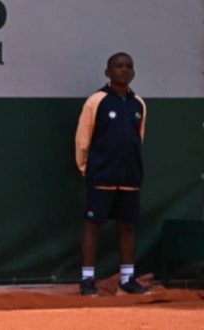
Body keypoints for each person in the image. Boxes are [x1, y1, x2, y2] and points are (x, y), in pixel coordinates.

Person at [74, 52, 150, 296]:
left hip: (129, 178)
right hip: (101, 176)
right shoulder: (97, 101)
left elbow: (139, 139)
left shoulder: (139, 103)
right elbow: (82, 139)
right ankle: (87, 280)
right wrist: (89, 169)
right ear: (108, 72)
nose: (124, 70)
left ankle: (127, 279)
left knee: (128, 226)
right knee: (93, 225)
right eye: (118, 66)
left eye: (129, 66)